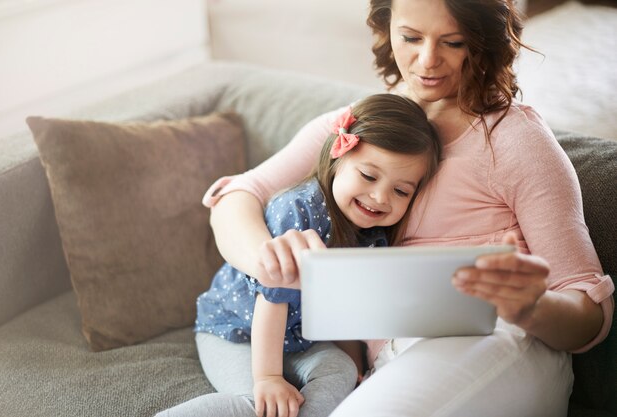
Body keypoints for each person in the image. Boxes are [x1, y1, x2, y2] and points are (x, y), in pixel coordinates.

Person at [201, 0, 615, 416]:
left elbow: (589, 310)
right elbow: (234, 197)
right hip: (391, 358)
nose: (428, 60)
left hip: (501, 338)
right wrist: (267, 259)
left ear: (483, 40)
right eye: (411, 37)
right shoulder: (365, 126)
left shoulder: (514, 140)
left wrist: (531, 306)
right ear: (387, 27)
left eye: (452, 42)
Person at [156, 94, 441, 417]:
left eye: (401, 191)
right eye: (369, 176)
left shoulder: (374, 233)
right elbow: (273, 298)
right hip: (237, 330)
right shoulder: (298, 210)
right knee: (255, 402)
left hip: (300, 338)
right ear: (338, 158)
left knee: (342, 373)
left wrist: (357, 363)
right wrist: (268, 378)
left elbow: (344, 308)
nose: (379, 197)